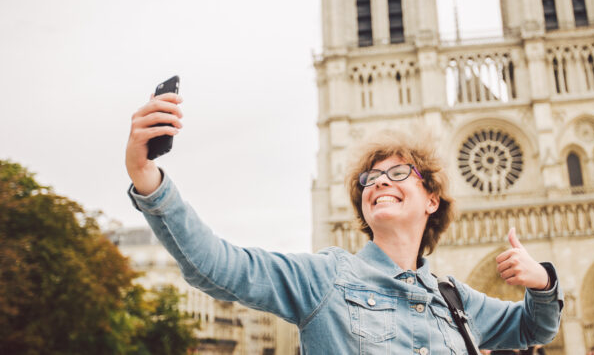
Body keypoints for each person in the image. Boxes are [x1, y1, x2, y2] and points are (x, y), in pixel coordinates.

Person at [124, 93, 563, 354]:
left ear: (432, 199)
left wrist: (542, 282)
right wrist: (150, 182)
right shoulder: (324, 279)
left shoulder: (455, 300)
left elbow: (534, 328)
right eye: (368, 180)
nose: (378, 184)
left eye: (397, 173)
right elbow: (217, 265)